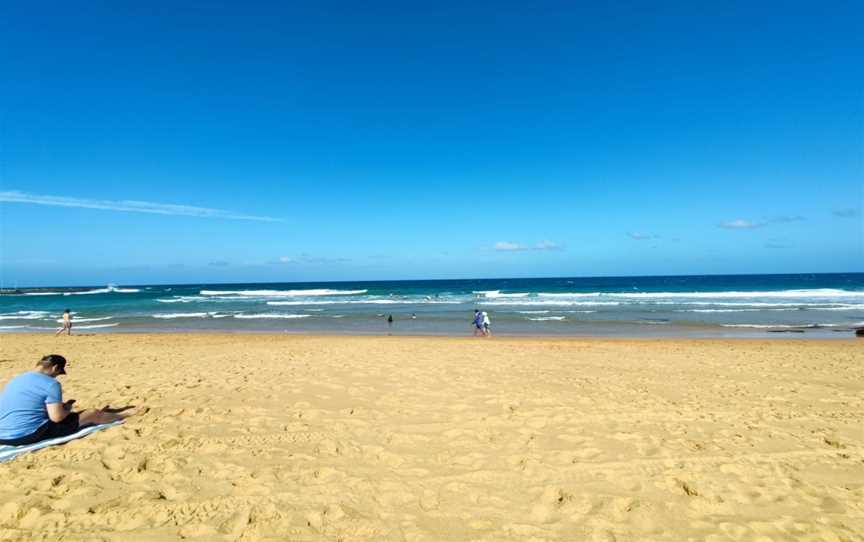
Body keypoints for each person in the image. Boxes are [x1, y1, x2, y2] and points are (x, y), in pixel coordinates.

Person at [0, 355, 130, 446]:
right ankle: (125, 414)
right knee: (92, 413)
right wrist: (67, 408)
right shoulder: (51, 384)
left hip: (3, 435)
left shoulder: (17, 379)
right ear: (55, 368)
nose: (56, 376)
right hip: (25, 435)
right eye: (58, 373)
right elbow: (57, 418)